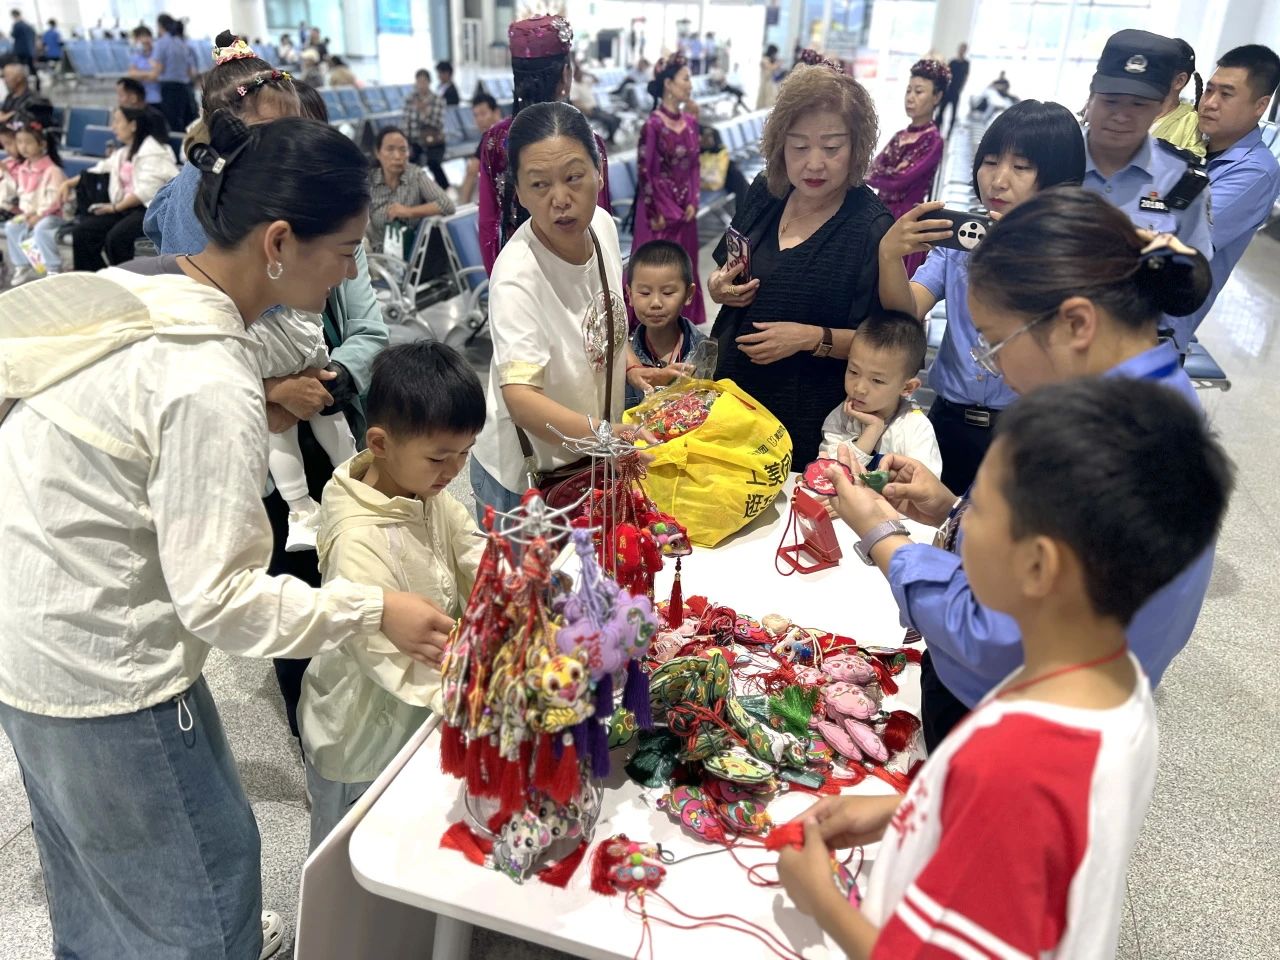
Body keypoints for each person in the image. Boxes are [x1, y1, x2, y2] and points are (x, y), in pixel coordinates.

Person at [0, 108, 453, 960]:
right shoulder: (205, 376)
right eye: (345, 251)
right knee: (202, 900)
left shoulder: (156, 287)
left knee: (95, 888)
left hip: (30, 641)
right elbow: (222, 601)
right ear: (279, 241)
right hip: (103, 667)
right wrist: (371, 610)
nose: (351, 270)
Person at [778, 376, 1233, 959]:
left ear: (1037, 567)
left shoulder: (1016, 761)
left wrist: (821, 899)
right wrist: (913, 809)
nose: (958, 524)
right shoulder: (1114, 681)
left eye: (978, 511)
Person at [837, 187, 1217, 752]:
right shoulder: (1156, 396)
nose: (993, 369)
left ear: (1076, 324)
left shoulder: (1102, 445)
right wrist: (953, 510)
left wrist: (882, 535)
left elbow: (996, 636)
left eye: (994, 344)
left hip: (1010, 719)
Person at [144, 33, 391, 749]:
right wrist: (272, 394)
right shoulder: (203, 348)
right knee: (292, 561)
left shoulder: (279, 260)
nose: (349, 270)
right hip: (115, 677)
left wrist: (318, 383)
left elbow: (364, 321)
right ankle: (318, 735)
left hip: (321, 401)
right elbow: (219, 598)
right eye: (269, 143)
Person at [301, 341, 485, 851]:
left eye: (465, 453)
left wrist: (517, 588)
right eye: (439, 457)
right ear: (380, 443)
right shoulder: (357, 539)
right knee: (349, 851)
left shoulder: (422, 490)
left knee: (410, 841)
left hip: (421, 708)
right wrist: (480, 697)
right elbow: (382, 655)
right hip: (360, 736)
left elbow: (470, 550)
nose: (454, 470)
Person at [879, 100, 1086, 492]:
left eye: (1021, 167)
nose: (998, 180)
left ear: (1058, 179)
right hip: (947, 421)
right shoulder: (963, 240)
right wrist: (890, 257)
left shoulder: (1071, 255)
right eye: (990, 162)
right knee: (929, 518)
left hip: (1025, 431)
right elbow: (908, 309)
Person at [707, 53, 891, 466]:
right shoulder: (767, 191)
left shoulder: (869, 226)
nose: (814, 163)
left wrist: (810, 338)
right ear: (781, 145)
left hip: (805, 415)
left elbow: (882, 342)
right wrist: (718, 286)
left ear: (856, 148)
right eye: (800, 146)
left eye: (832, 147)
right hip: (732, 395)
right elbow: (724, 268)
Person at [471, 102, 653, 515]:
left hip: (588, 455)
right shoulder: (518, 276)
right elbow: (521, 399)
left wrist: (631, 366)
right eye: (539, 185)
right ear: (519, 193)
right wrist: (607, 435)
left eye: (574, 177)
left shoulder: (602, 226)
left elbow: (602, 316)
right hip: (527, 481)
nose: (560, 199)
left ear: (599, 173)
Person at [1080, 29, 1214, 351]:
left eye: (1139, 104)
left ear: (1160, 107)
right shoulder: (1052, 160)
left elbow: (1190, 281)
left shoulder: (1183, 183)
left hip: (1130, 351)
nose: (1121, 116)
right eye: (1110, 101)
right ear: (1091, 97)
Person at [477, 14, 612, 275]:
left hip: (518, 272)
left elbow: (488, 224)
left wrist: (499, 278)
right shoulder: (586, 139)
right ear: (565, 75)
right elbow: (600, 218)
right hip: (579, 274)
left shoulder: (495, 140)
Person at [1186, 44, 1280, 333]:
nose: (1209, 103)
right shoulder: (1195, 146)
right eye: (1209, 90)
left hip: (1159, 322)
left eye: (1226, 94)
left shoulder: (1255, 172)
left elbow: (1185, 240)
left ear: (1260, 106)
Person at [819, 310, 940, 475]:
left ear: (907, 388)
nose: (859, 388)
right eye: (853, 371)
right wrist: (872, 431)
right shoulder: (843, 415)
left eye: (877, 380)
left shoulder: (916, 429)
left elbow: (923, 486)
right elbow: (827, 474)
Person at [632, 55, 704, 325]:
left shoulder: (691, 123)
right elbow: (645, 172)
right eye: (685, 79)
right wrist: (655, 211)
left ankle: (683, 328)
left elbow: (695, 165)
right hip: (660, 212)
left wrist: (693, 201)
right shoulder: (653, 125)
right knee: (657, 272)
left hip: (686, 209)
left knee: (683, 271)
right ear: (669, 84)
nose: (690, 85)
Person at [62, 105, 177, 269]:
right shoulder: (124, 152)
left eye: (117, 121)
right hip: (126, 207)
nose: (113, 127)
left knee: (116, 238)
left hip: (149, 209)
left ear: (133, 125)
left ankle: (125, 279)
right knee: (82, 232)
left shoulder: (153, 152)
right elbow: (100, 168)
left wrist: (115, 207)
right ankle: (96, 278)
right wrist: (68, 183)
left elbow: (146, 192)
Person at [867, 59, 949, 278]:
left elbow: (900, 179)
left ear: (937, 97)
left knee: (893, 280)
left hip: (907, 219)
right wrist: (885, 173)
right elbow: (873, 168)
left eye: (919, 91)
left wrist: (885, 173)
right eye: (908, 90)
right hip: (880, 213)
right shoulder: (900, 136)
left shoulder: (932, 140)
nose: (910, 97)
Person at [625, 239, 707, 408]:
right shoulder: (624, 358)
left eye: (668, 293)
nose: (656, 302)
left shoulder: (705, 351)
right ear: (630, 295)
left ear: (689, 294)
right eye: (645, 293)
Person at [366, 125, 455, 253]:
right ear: (377, 153)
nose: (397, 156)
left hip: (412, 254)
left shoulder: (415, 175)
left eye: (403, 150)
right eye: (390, 149)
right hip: (377, 256)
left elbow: (447, 205)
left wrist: (409, 211)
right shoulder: (368, 182)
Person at [4, 111, 64, 282]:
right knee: (12, 226)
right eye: (19, 142)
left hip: (52, 215)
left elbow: (56, 200)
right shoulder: (23, 169)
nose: (23, 147)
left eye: (28, 142)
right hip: (31, 214)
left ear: (42, 144)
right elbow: (23, 195)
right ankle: (22, 264)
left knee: (41, 229)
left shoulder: (52, 170)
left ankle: (53, 268)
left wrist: (39, 215)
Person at [1151, 39, 1205, 156]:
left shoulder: (1190, 122)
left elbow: (1192, 161)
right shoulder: (1133, 106)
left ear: (1179, 81)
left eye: (1156, 70)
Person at [403, 67, 449, 190]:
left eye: (424, 81)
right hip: (414, 141)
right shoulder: (410, 99)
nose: (421, 85)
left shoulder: (437, 100)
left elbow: (437, 124)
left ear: (429, 82)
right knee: (410, 160)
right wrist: (405, 143)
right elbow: (406, 122)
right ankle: (415, 191)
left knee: (433, 162)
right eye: (419, 82)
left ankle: (445, 188)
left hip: (434, 141)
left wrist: (424, 112)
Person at [154, 13, 196, 132]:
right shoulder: (181, 43)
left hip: (169, 88)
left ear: (160, 26)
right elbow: (191, 71)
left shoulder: (161, 43)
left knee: (172, 123)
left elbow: (159, 69)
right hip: (184, 87)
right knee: (185, 122)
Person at [459, 92, 501, 204]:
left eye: (483, 114)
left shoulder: (493, 135)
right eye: (476, 115)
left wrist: (462, 206)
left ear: (496, 112)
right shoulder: (488, 136)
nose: (479, 120)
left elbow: (472, 170)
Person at [573, 60, 621, 145]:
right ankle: (610, 140)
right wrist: (586, 110)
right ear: (575, 74)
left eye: (581, 73)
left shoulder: (585, 81)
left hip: (596, 108)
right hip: (588, 111)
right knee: (610, 121)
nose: (581, 75)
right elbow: (575, 103)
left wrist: (587, 73)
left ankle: (610, 138)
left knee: (617, 119)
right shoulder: (574, 86)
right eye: (579, 73)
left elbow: (597, 80)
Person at [936, 42, 969, 134]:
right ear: (958, 49)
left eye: (964, 49)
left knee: (953, 113)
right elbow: (946, 74)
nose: (962, 50)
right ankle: (938, 130)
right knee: (941, 111)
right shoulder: (952, 62)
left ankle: (949, 133)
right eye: (961, 48)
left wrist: (961, 88)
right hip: (948, 90)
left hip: (956, 91)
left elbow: (965, 77)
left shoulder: (966, 63)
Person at [127, 25, 162, 106]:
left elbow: (156, 76)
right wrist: (149, 73)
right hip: (140, 100)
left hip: (156, 99)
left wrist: (140, 74)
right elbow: (132, 74)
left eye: (146, 37)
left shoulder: (158, 54)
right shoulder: (135, 56)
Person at [9, 10, 37, 89]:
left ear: (14, 16)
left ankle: (25, 86)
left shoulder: (17, 25)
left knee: (21, 68)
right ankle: (37, 84)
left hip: (21, 51)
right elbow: (33, 35)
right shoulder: (28, 25)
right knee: (31, 67)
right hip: (30, 50)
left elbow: (13, 35)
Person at [758, 43, 782, 109]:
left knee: (770, 99)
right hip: (765, 82)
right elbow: (770, 67)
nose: (775, 55)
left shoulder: (770, 61)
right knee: (763, 99)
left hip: (769, 83)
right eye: (775, 53)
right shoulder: (764, 59)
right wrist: (777, 64)